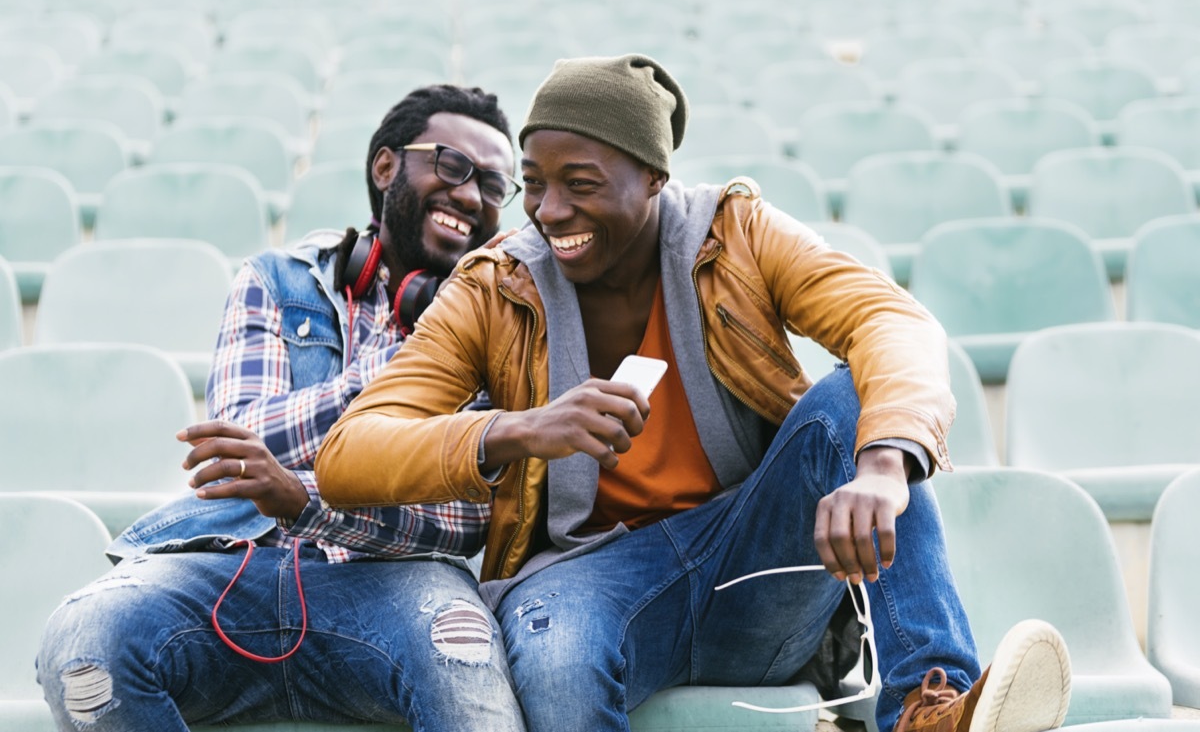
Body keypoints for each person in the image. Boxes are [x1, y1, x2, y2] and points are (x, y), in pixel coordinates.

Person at [312, 55, 1073, 732]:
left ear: (653, 178)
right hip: (583, 580)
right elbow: (349, 452)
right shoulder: (495, 283)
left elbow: (890, 318)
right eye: (535, 186)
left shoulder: (735, 234)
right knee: (553, 660)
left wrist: (881, 465)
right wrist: (520, 429)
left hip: (753, 556)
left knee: (849, 405)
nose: (548, 213)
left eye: (581, 185)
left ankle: (926, 705)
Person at [36, 84, 526, 732]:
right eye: (452, 165)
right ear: (385, 166)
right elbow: (237, 439)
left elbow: (463, 513)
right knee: (85, 646)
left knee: (463, 654)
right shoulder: (276, 278)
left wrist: (301, 494)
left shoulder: (499, 321)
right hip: (227, 555)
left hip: (398, 582)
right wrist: (409, 382)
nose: (471, 194)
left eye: (494, 185)